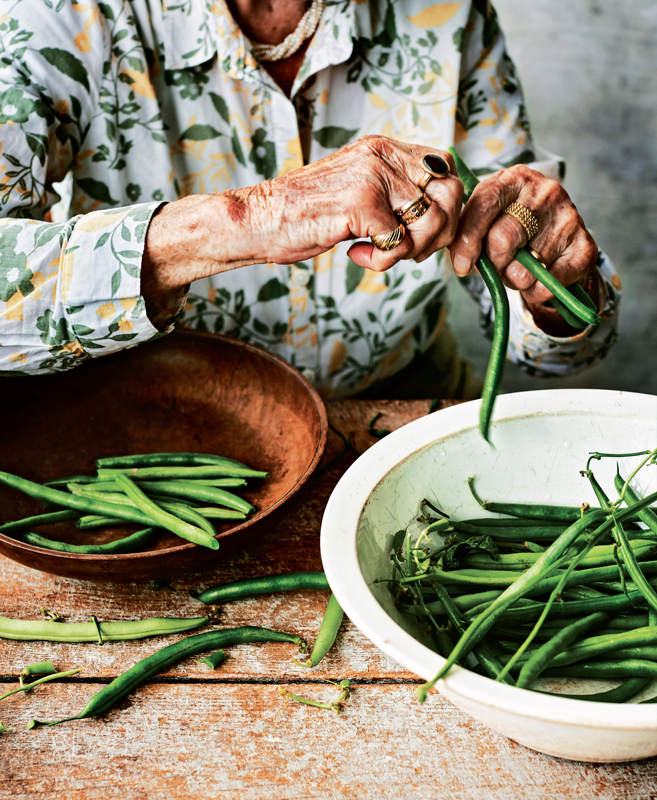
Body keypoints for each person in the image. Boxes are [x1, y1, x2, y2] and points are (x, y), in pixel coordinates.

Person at [0, 0, 619, 398]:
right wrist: (253, 217)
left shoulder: (449, 13)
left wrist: (559, 288)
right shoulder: (65, 16)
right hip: (157, 430)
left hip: (399, 411)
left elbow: (560, 353)